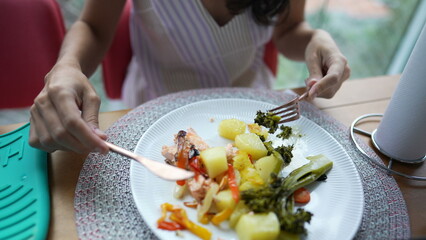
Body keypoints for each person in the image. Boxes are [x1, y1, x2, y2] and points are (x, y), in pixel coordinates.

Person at [29, 0, 350, 154]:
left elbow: (289, 30)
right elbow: (94, 27)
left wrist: (313, 38)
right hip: (153, 106)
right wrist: (67, 66)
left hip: (247, 104)